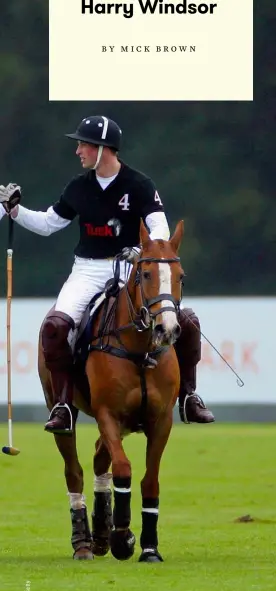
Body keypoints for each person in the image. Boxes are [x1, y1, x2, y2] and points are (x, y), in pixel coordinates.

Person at [0, 115, 214, 434]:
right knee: (55, 327)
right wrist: (14, 211)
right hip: (87, 270)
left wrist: (141, 253)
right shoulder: (78, 187)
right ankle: (63, 404)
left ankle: (188, 396)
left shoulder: (139, 185)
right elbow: (48, 224)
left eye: (83, 145)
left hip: (133, 268)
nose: (78, 152)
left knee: (185, 321)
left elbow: (160, 230)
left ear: (103, 149)